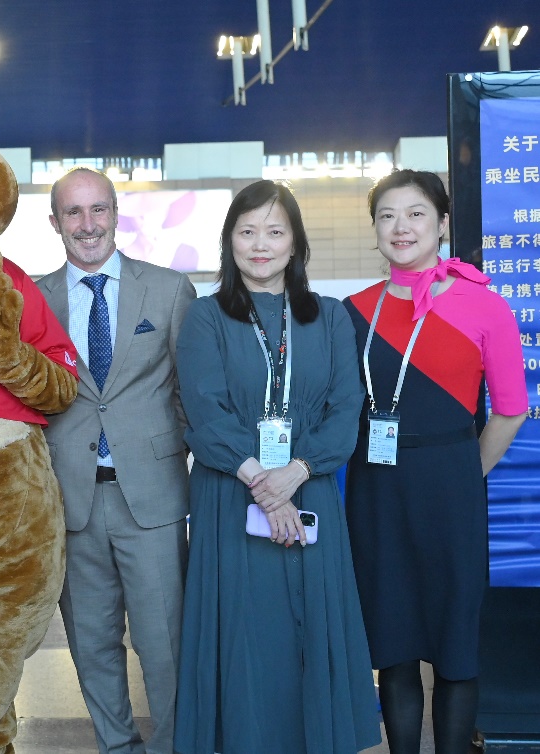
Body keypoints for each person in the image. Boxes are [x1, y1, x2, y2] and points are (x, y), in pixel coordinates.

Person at [173, 180, 380, 753]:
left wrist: (295, 474)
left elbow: (346, 409)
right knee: (247, 633)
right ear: (229, 242)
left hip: (309, 490)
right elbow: (205, 412)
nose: (260, 244)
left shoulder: (331, 317)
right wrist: (266, 486)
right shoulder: (205, 317)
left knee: (309, 629)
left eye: (274, 231)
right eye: (247, 231)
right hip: (230, 495)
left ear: (296, 242)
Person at [343, 170, 527, 754]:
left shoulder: (485, 305)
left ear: (443, 223)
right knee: (393, 648)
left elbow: (511, 410)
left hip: (451, 493)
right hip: (376, 493)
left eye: (416, 213)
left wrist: (465, 474)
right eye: (387, 215)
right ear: (375, 229)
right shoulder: (354, 311)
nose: (401, 227)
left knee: (455, 648)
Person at [36, 167, 195, 754]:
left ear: (116, 214)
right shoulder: (32, 299)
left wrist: (164, 452)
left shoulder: (169, 290)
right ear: (54, 222)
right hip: (70, 499)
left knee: (165, 643)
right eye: (73, 212)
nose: (87, 224)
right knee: (91, 642)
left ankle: (174, 745)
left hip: (151, 499)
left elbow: (189, 391)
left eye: (97, 209)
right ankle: (117, 746)